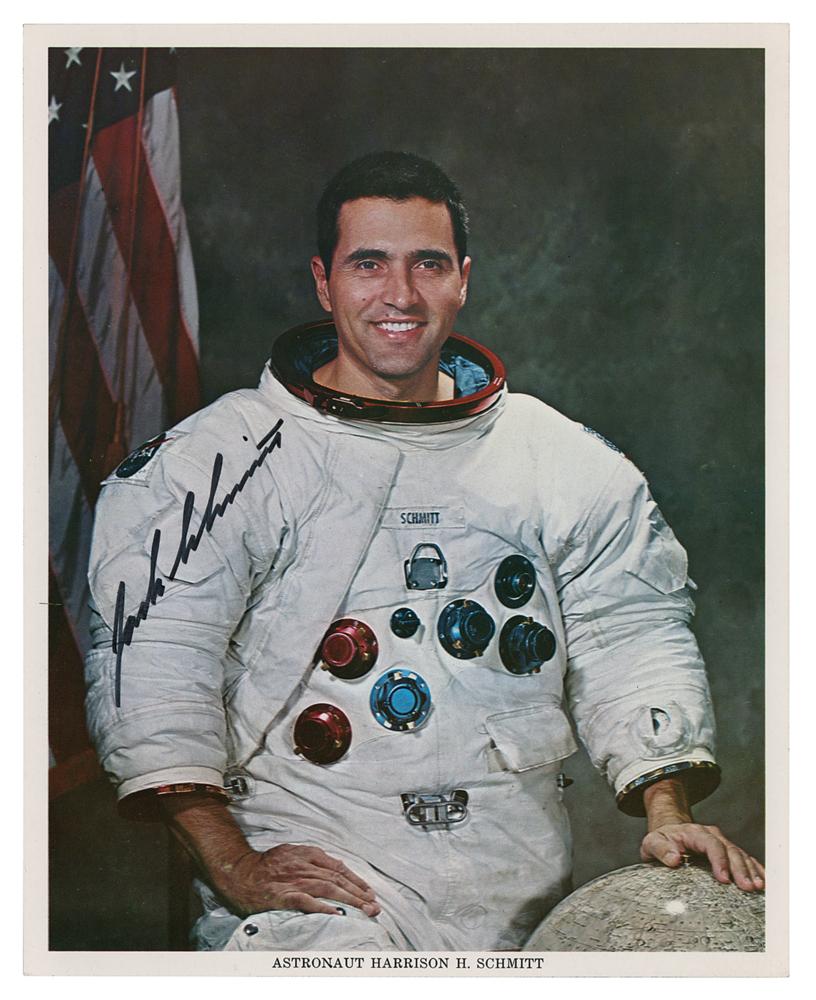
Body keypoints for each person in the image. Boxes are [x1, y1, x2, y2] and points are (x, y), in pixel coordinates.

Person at [84, 151, 764, 953]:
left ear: (462, 280)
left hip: (519, 890)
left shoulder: (558, 458)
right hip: (321, 896)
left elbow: (631, 632)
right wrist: (232, 864)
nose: (400, 295)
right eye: (369, 264)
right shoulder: (217, 464)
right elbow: (155, 669)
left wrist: (668, 812)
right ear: (324, 282)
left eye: (428, 264)